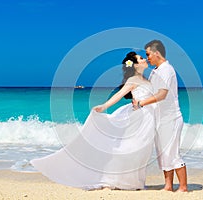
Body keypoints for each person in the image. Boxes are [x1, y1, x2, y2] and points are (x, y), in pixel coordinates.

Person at [31, 51, 156, 190]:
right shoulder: (133, 80)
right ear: (135, 65)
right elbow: (119, 95)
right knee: (131, 148)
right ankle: (119, 181)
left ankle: (136, 182)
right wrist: (104, 106)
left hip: (149, 117)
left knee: (144, 150)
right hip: (137, 117)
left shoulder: (148, 78)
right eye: (141, 58)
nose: (145, 59)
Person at [133, 40, 188, 192]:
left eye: (148, 54)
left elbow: (162, 94)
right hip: (160, 119)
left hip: (171, 118)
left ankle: (183, 187)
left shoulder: (166, 70)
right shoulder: (155, 71)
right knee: (163, 154)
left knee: (173, 153)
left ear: (157, 53)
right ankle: (168, 186)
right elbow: (150, 90)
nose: (147, 57)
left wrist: (141, 103)